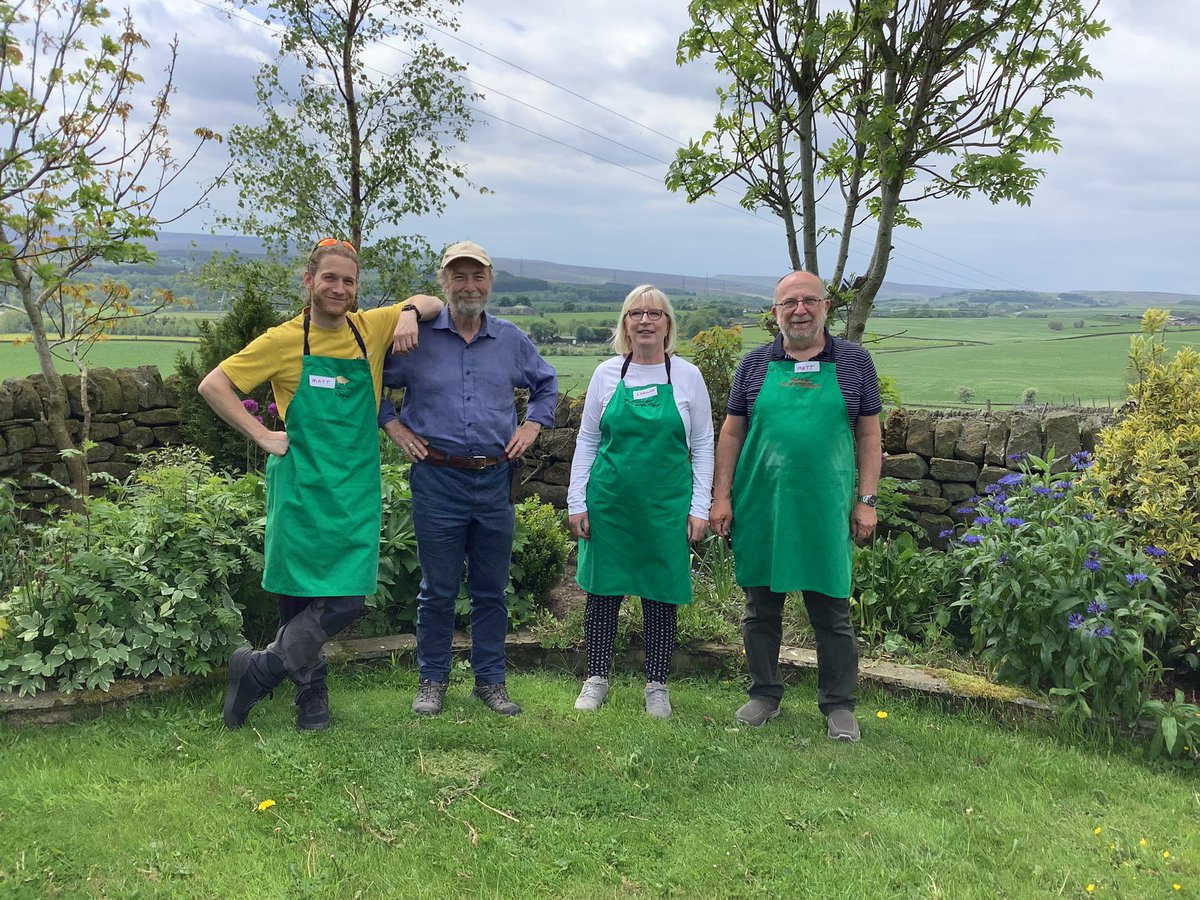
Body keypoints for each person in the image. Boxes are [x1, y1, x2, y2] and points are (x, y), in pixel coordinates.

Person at [199, 238, 444, 732]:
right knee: (297, 595)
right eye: (329, 278)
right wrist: (261, 433)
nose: (338, 288)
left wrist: (409, 313)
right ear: (309, 281)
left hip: (353, 487)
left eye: (348, 281)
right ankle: (311, 698)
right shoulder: (282, 340)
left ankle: (259, 669)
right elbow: (214, 385)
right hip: (302, 485)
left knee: (347, 600)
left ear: (357, 289)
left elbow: (433, 299)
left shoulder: (370, 328)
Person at [379, 240, 558, 717]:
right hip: (437, 479)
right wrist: (393, 426)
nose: (469, 285)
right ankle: (432, 681)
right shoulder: (415, 339)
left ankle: (490, 681)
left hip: (496, 480)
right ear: (443, 283)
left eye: (477, 276)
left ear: (490, 282)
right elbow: (369, 380)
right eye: (458, 276)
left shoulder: (511, 340)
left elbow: (546, 382)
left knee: (490, 588)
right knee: (437, 589)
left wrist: (533, 425)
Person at [709, 270, 882, 741]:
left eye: (809, 300)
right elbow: (731, 432)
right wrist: (721, 496)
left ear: (827, 307)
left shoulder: (854, 362)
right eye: (789, 303)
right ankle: (764, 694)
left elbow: (868, 434)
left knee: (831, 610)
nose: (799, 310)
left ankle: (839, 705)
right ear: (775, 314)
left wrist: (866, 501)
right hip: (762, 504)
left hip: (826, 507)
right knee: (760, 607)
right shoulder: (753, 365)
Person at [567, 286, 713, 719]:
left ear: (668, 325)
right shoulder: (606, 375)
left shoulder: (687, 377)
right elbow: (588, 439)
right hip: (610, 503)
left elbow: (703, 444)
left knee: (661, 596)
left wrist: (699, 507)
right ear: (624, 324)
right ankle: (595, 678)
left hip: (666, 507)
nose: (645, 321)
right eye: (636, 313)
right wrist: (578, 500)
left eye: (655, 314)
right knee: (602, 593)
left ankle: (657, 685)